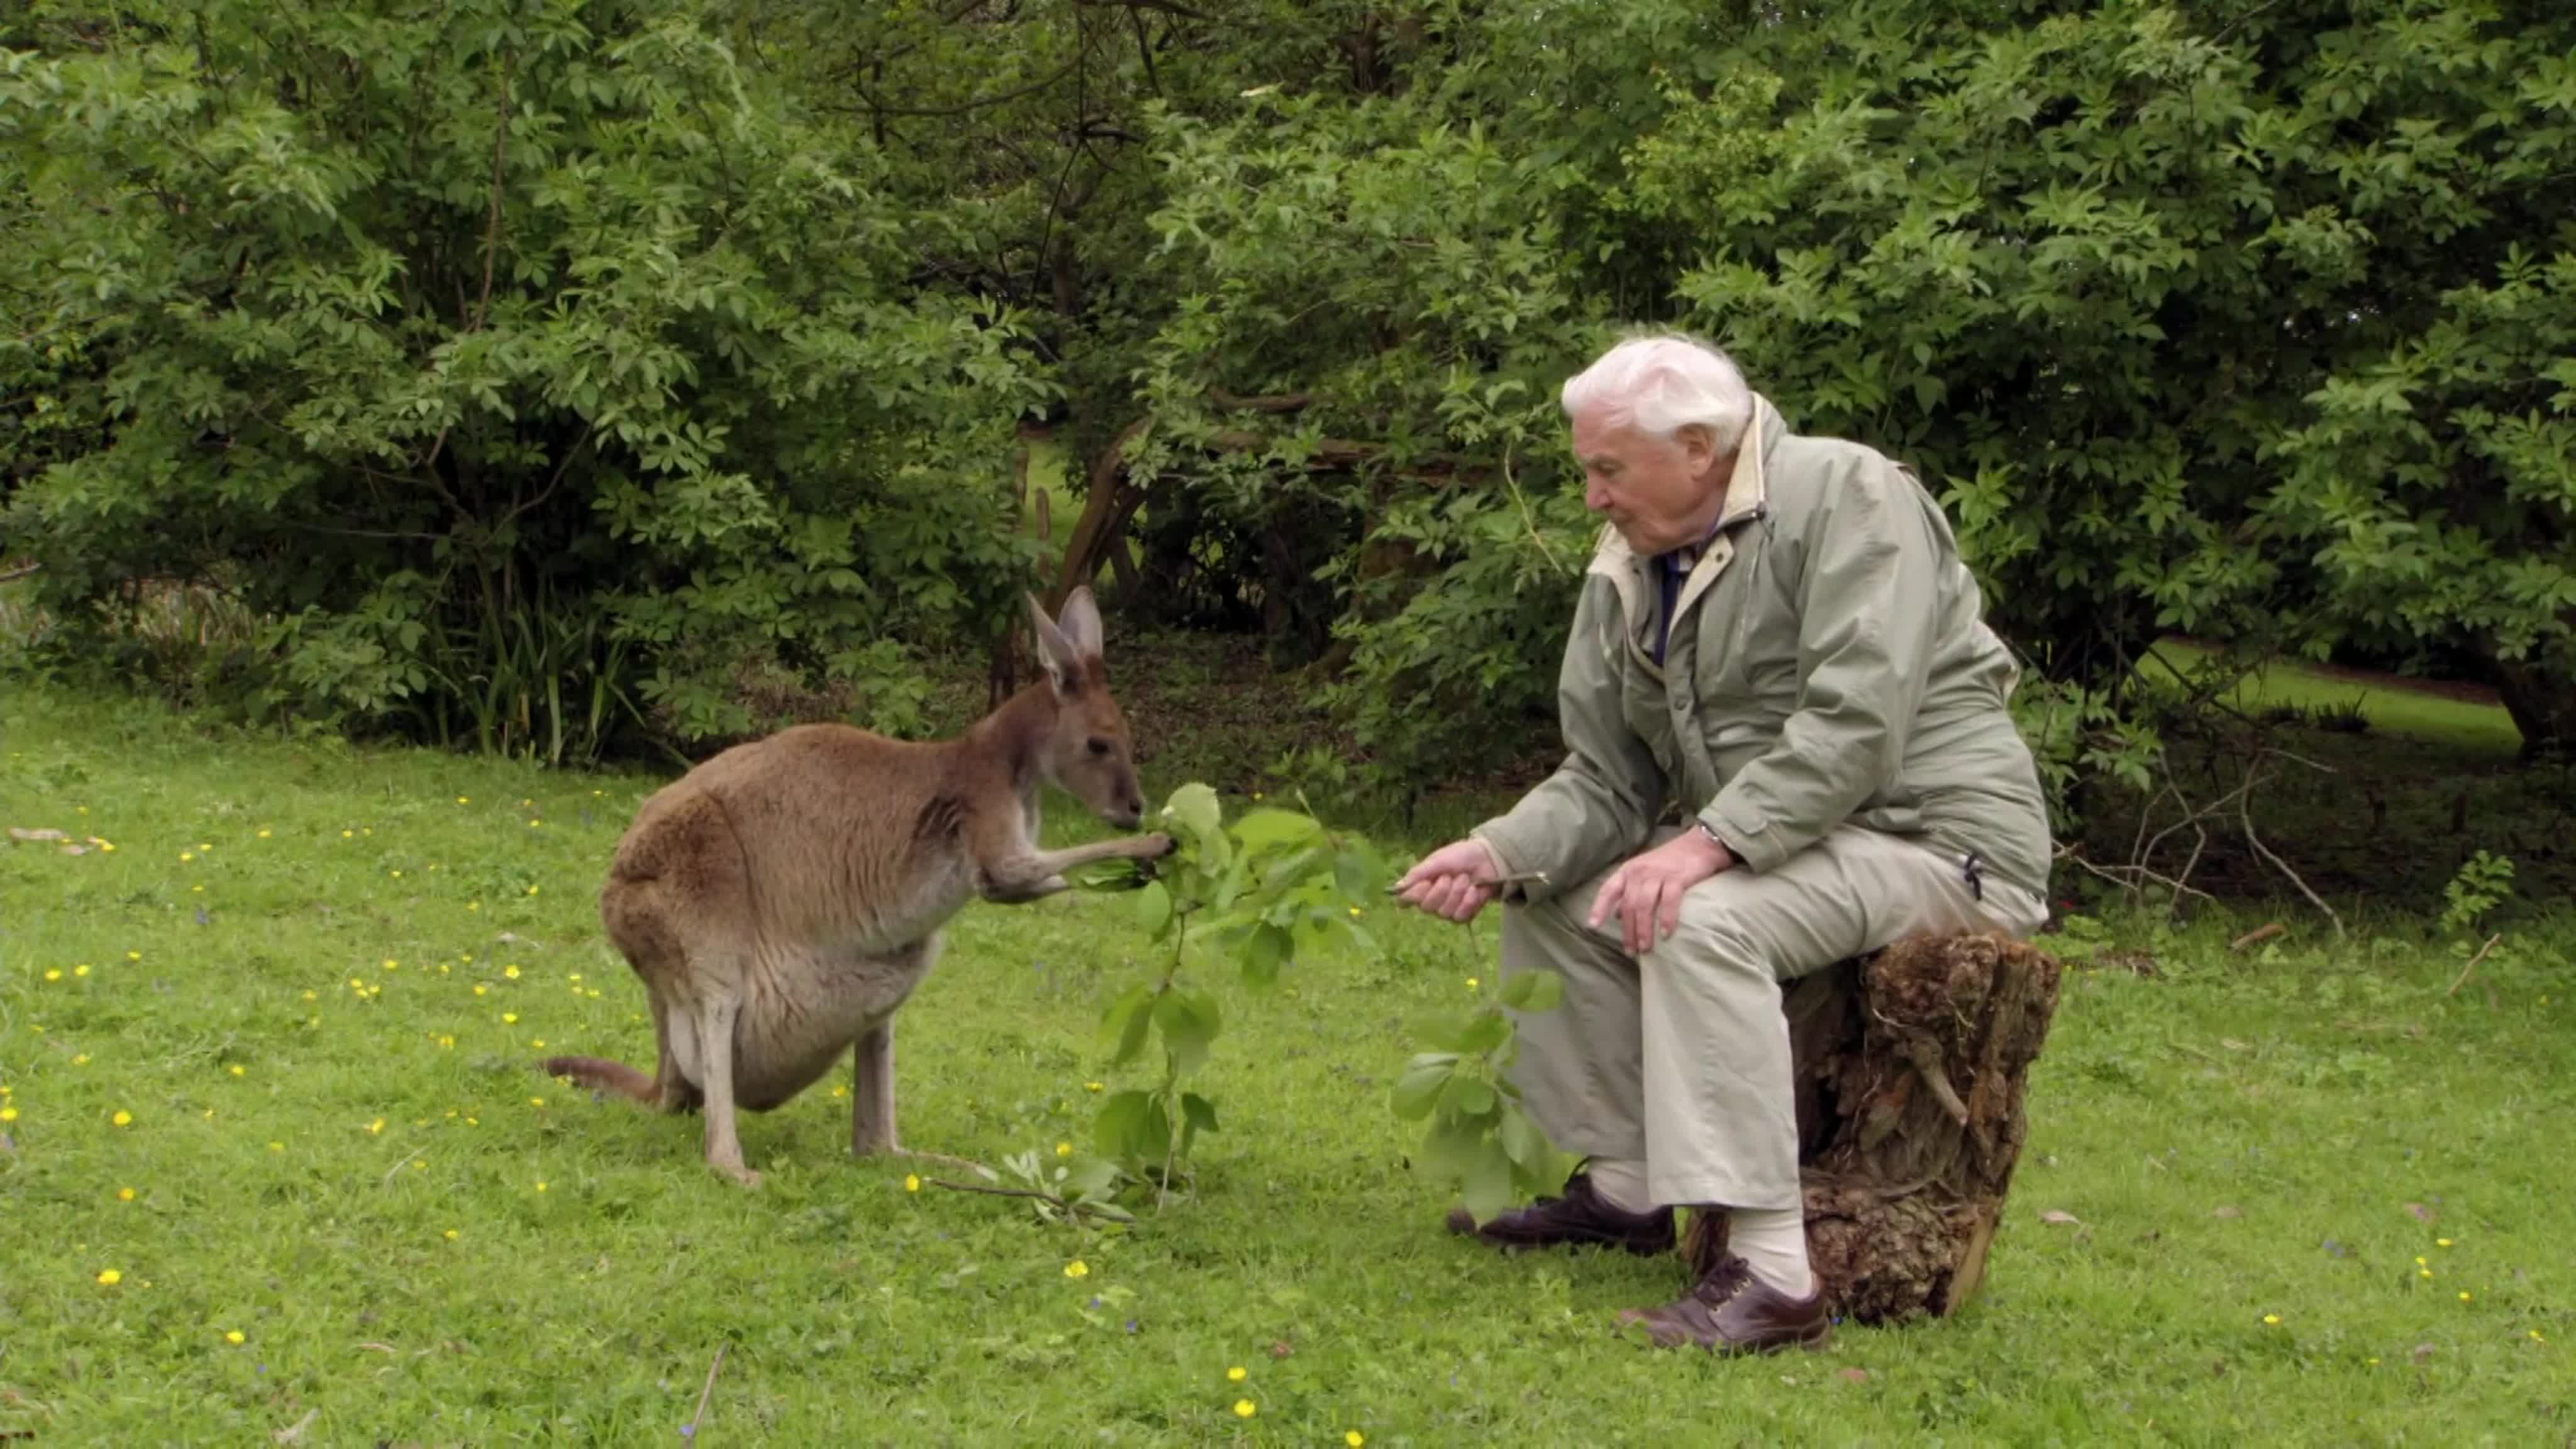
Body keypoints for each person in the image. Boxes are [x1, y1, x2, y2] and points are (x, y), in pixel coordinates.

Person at [1393, 331, 2053, 1355]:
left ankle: (1777, 1275)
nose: (1593, 497)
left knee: (1695, 917)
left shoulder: (1847, 494)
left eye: (1607, 469)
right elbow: (1608, 778)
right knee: (1567, 897)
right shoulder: (1631, 561)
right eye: (1587, 470)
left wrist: (1704, 846)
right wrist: (1497, 850)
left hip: (1939, 844)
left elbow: (1857, 727)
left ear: (1698, 447)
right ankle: (1629, 1187)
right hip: (1800, 845)